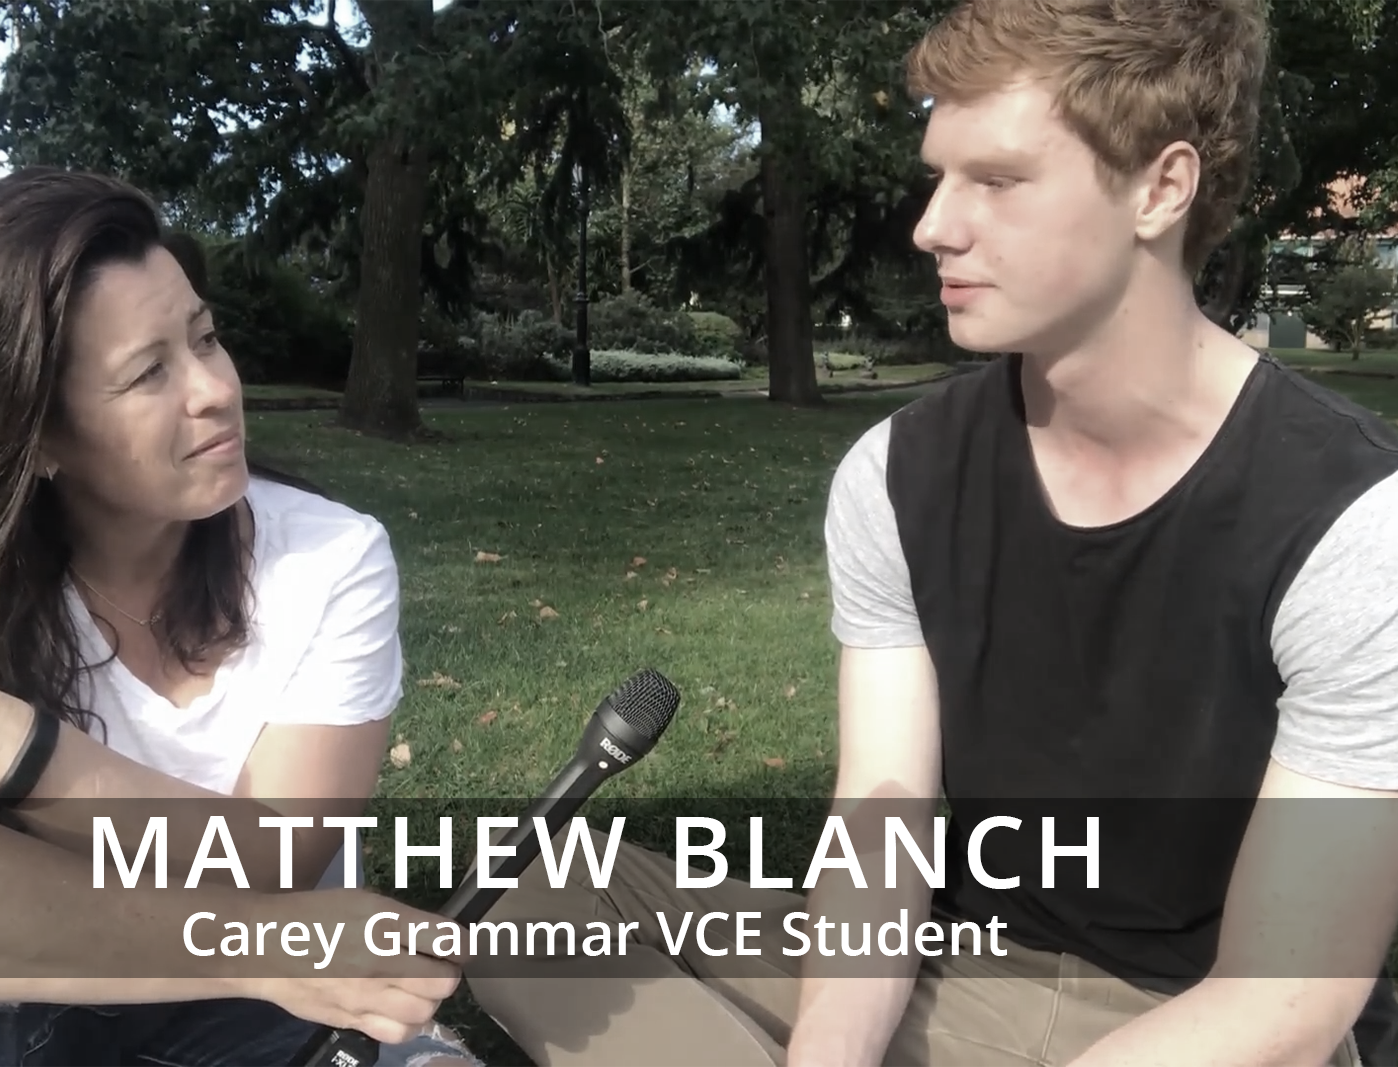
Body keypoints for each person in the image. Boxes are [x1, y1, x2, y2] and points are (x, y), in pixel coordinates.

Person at [461, 0, 1398, 1064]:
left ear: (1160, 187)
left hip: (1200, 1021)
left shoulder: (1356, 525)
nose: (933, 225)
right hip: (964, 971)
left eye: (995, 181)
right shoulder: (898, 474)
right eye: (939, 176)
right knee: (538, 885)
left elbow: (1283, 1004)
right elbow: (881, 829)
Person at [0, 166, 483, 1067]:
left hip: (265, 1000)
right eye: (148, 373)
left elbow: (277, 857)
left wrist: (6, 742)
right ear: (36, 434)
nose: (213, 389)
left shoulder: (328, 558)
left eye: (205, 338)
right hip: (8, 979)